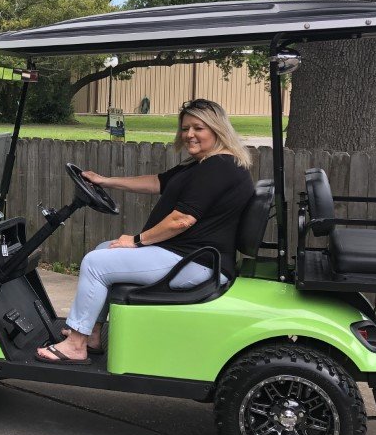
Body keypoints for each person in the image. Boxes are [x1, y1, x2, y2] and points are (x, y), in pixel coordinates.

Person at [37, 99, 255, 364]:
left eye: (198, 128)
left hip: (196, 263)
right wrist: (105, 180)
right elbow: (157, 182)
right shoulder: (201, 164)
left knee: (96, 263)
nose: (189, 135)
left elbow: (182, 220)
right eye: (185, 128)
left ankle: (75, 345)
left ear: (217, 129)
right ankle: (90, 333)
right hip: (186, 255)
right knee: (103, 250)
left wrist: (138, 241)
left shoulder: (219, 166)